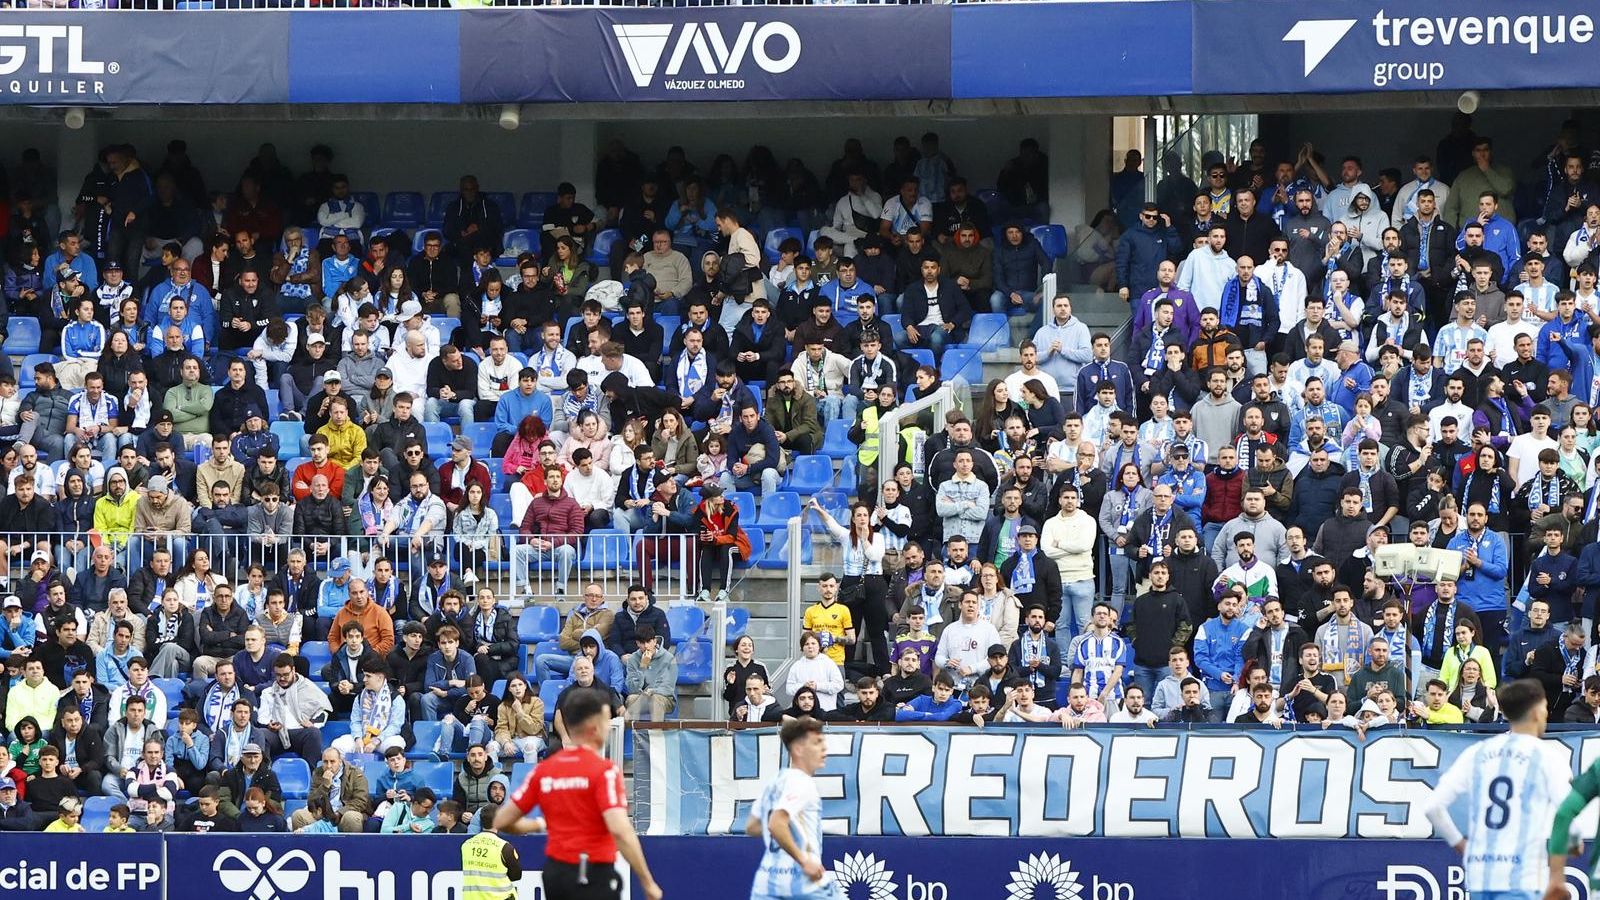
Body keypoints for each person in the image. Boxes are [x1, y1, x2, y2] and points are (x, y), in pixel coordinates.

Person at [494, 688, 664, 900]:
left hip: (555, 873)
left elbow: (502, 820)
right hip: (592, 872)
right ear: (595, 727)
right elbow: (620, 830)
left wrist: (540, 824)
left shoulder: (544, 770)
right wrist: (647, 881)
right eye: (605, 721)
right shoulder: (604, 771)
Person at [1424, 679, 1568, 900]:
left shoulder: (1478, 752)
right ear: (1538, 712)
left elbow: (1432, 807)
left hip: (1480, 875)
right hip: (1523, 878)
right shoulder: (1547, 756)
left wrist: (1461, 845)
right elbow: (1568, 813)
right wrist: (1574, 844)